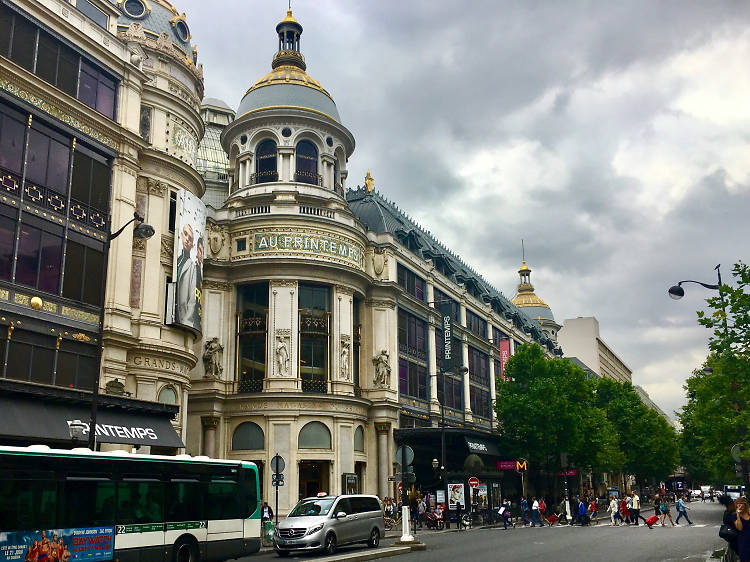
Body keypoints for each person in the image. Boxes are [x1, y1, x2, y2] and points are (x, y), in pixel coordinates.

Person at [176, 223, 197, 325]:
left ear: (192, 245)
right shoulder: (177, 260)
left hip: (181, 319)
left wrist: (186, 321)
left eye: (191, 238)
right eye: (185, 234)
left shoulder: (192, 266)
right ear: (181, 235)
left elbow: (193, 300)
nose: (187, 239)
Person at [721, 494, 740, 561]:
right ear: (730, 504)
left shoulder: (726, 513)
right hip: (739, 542)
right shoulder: (733, 515)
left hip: (733, 542)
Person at [733, 496, 750, 561]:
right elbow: (739, 528)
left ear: (745, 505)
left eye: (741, 503)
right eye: (737, 503)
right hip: (744, 541)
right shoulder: (734, 516)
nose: (739, 505)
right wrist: (738, 515)